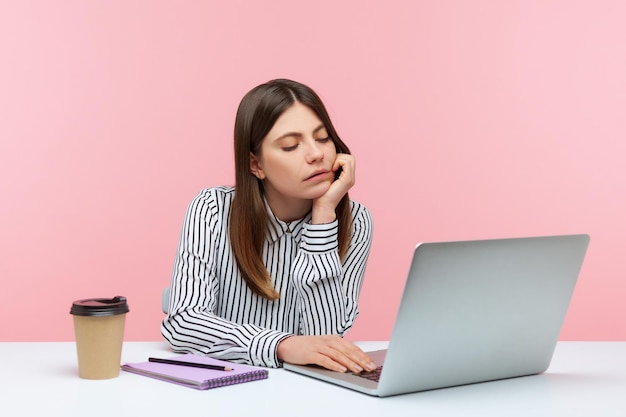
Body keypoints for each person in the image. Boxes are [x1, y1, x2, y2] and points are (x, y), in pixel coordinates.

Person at [161, 78, 376, 374]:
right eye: (290, 146)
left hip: (307, 394)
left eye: (323, 138)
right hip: (225, 388)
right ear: (255, 165)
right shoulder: (212, 209)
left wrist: (324, 216)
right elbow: (183, 322)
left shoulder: (356, 221)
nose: (316, 154)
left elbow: (326, 339)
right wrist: (282, 345)